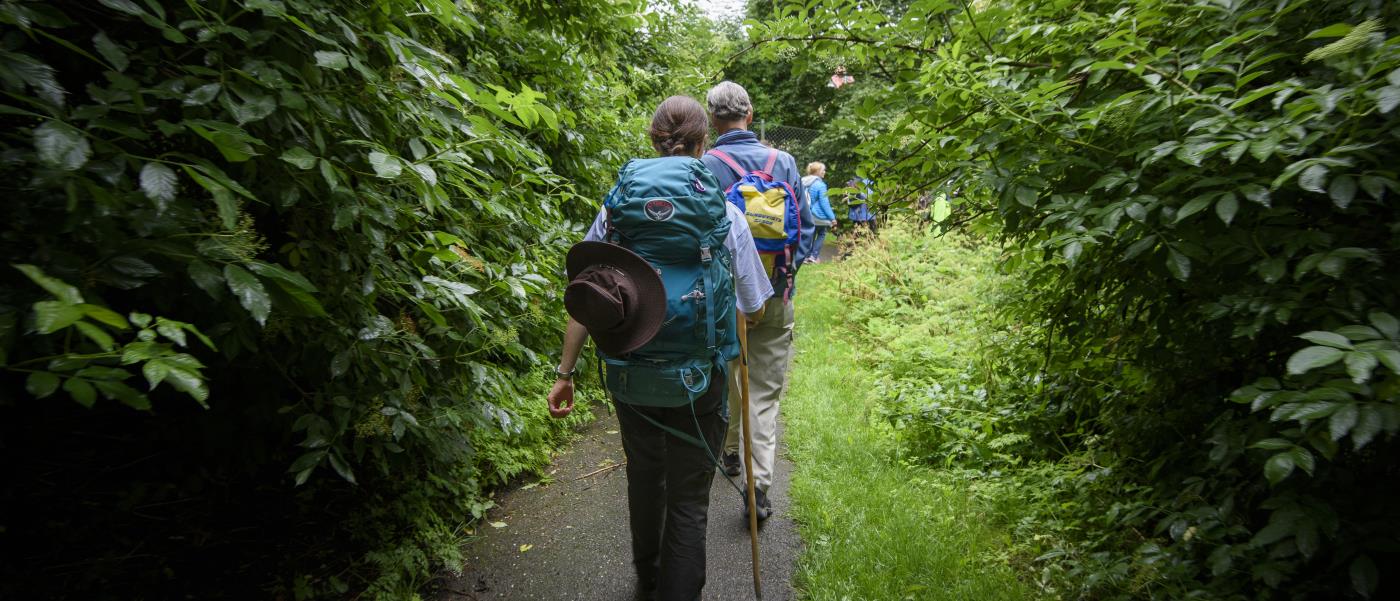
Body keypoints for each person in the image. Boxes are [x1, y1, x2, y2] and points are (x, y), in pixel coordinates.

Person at [546, 95, 772, 601]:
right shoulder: (721, 209)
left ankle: (646, 578)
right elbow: (754, 302)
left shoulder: (619, 209)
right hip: (701, 378)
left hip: (632, 372)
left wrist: (565, 372)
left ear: (653, 137)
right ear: (702, 140)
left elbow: (587, 294)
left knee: (645, 477)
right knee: (690, 500)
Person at [700, 81, 814, 521]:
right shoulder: (782, 161)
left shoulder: (705, 165)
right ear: (750, 113)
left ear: (713, 120)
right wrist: (784, 277)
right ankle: (758, 486)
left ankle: (731, 453)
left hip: (727, 300)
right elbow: (803, 230)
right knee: (762, 391)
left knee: (731, 376)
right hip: (775, 295)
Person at [802, 162, 836, 263]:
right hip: (818, 216)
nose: (824, 172)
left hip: (807, 214)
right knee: (821, 233)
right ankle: (814, 257)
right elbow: (824, 203)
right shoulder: (820, 185)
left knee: (811, 234)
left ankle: (806, 256)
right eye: (823, 170)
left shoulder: (803, 181)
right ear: (817, 172)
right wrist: (832, 218)